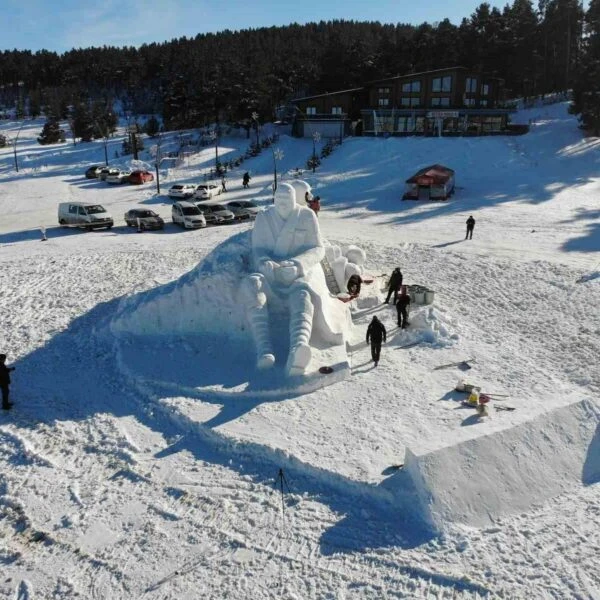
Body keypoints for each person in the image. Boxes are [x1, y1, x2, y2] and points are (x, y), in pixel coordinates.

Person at [241, 182, 345, 376]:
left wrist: (298, 264)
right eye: (278, 200)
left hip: (297, 272)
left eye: (286, 200)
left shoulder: (306, 216)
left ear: (293, 199)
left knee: (303, 294)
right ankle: (264, 350)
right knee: (253, 285)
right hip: (270, 272)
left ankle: (299, 348)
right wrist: (264, 261)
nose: (282, 204)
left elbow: (317, 248)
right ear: (273, 200)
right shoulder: (264, 218)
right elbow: (257, 248)